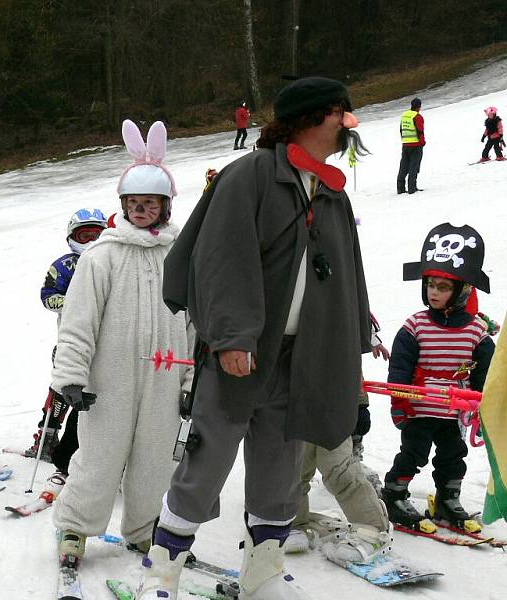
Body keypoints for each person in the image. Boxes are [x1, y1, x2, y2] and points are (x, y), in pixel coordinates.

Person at [138, 76, 372, 600]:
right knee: (207, 460)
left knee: (279, 469)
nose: (347, 123)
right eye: (340, 112)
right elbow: (222, 260)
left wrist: (352, 341)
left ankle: (263, 570)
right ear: (311, 117)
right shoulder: (249, 177)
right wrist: (233, 337)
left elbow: (347, 276)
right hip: (240, 355)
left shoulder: (331, 190)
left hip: (303, 358)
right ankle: (162, 570)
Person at [51, 120, 192, 567]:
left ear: (164, 206)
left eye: (150, 204)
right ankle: (74, 528)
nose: (141, 210)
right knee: (98, 457)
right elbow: (78, 323)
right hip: (108, 381)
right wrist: (71, 376)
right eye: (134, 203)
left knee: (155, 460)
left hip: (165, 379)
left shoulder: (179, 257)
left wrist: (191, 380)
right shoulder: (101, 256)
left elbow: (194, 326)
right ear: (123, 206)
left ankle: (144, 528)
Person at [383, 223, 495, 533]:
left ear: (462, 291)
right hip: (420, 406)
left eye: (443, 287)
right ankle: (394, 494)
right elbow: (400, 368)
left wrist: (480, 405)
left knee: (453, 455)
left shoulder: (476, 331)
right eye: (431, 284)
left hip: (454, 410)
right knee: (414, 453)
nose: (434, 292)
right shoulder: (415, 326)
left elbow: (487, 373)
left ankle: (448, 498)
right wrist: (399, 402)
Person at [284, 332, 392, 565]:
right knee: (295, 465)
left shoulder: (338, 301)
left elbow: (350, 351)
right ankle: (294, 521)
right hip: (292, 395)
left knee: (338, 468)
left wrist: (360, 402)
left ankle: (372, 528)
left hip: (334, 398)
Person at [24, 208, 107, 470]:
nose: (91, 242)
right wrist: (74, 302)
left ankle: (94, 441)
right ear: (73, 237)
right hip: (72, 341)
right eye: (85, 236)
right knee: (63, 387)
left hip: (106, 341)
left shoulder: (111, 261)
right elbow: (48, 295)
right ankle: (47, 436)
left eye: (97, 235)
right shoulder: (64, 265)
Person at [396, 97, 425, 194]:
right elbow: (420, 131)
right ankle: (412, 188)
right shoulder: (417, 117)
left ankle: (400, 188)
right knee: (414, 166)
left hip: (405, 144)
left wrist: (405, 140)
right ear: (419, 107)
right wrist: (422, 143)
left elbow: (401, 129)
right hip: (416, 145)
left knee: (403, 166)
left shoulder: (404, 116)